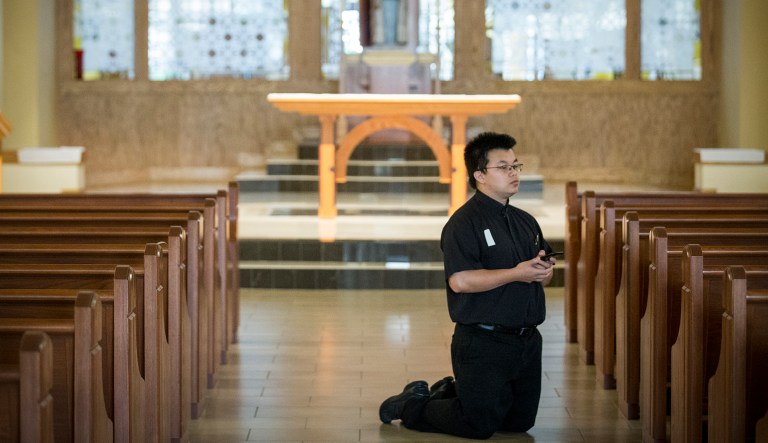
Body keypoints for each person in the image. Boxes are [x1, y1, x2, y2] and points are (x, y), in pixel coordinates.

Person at [378, 131, 556, 439]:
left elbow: (543, 274)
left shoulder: (526, 221)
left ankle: (451, 391)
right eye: (504, 167)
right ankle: (411, 404)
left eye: (516, 165)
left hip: (526, 341)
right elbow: (460, 281)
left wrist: (541, 272)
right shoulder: (464, 223)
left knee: (518, 423)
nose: (514, 173)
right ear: (479, 175)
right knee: (479, 425)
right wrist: (516, 273)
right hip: (483, 341)